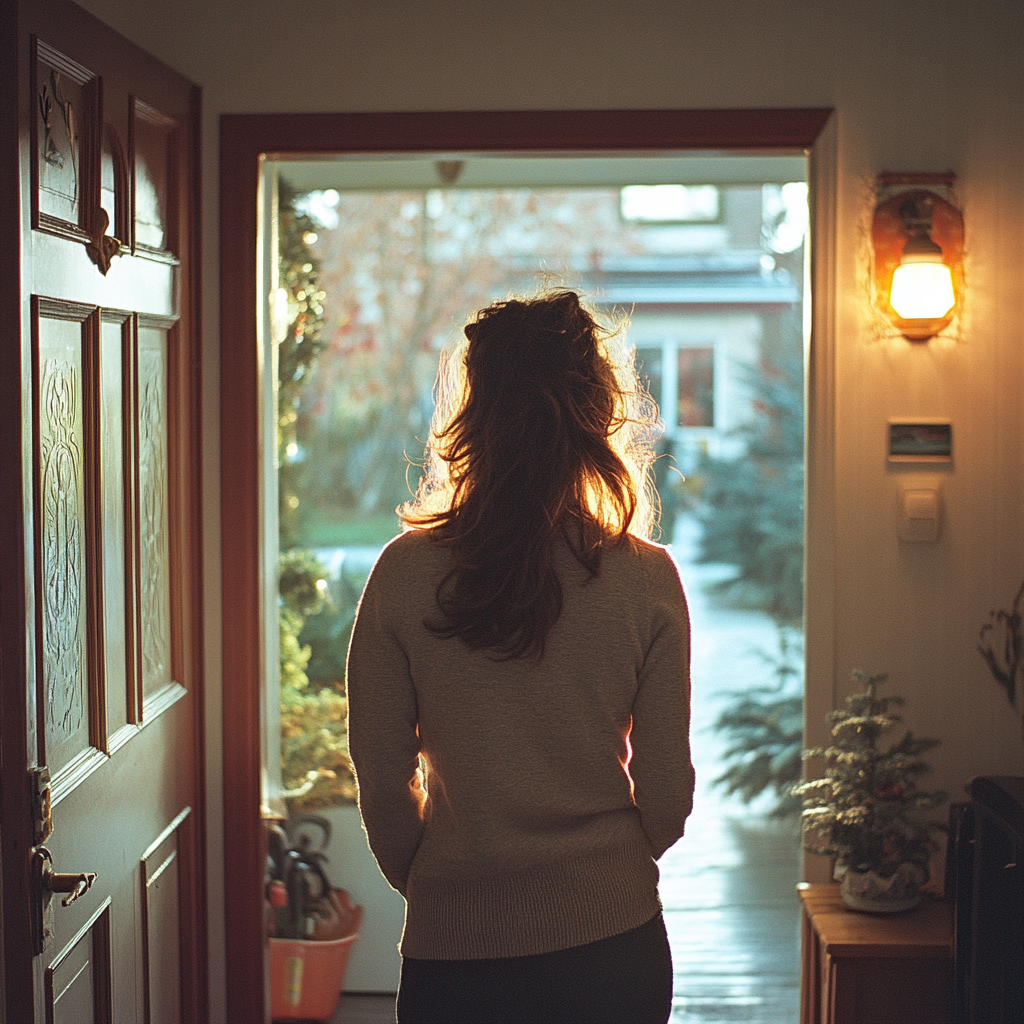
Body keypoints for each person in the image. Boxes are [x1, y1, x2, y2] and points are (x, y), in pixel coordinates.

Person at [346, 290, 694, 1024]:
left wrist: (440, 882)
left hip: (456, 957)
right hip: (613, 949)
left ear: (474, 412)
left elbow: (381, 778)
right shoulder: (646, 578)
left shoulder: (404, 572)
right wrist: (609, 873)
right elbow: (665, 795)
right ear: (597, 411)